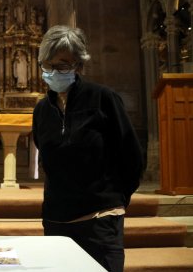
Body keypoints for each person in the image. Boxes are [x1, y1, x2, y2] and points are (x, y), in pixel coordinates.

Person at [32, 25, 144, 272]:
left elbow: (132, 157)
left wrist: (114, 201)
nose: (52, 72)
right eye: (47, 65)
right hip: (56, 221)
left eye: (61, 66)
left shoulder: (103, 99)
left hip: (99, 220)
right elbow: (47, 156)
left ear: (79, 65)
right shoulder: (42, 110)